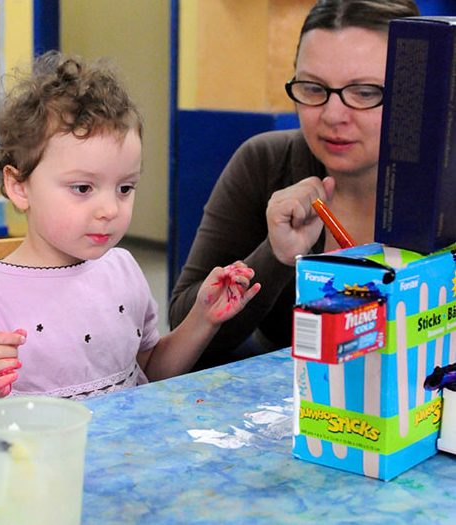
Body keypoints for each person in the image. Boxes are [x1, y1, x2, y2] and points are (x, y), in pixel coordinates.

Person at [0, 51, 260, 431]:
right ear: (19, 185)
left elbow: (151, 372)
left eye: (125, 187)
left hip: (124, 463)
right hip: (38, 474)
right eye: (83, 187)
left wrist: (202, 319)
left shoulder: (122, 270)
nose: (109, 208)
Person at [169, 0, 420, 370]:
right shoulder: (266, 163)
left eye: (365, 92)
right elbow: (187, 332)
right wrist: (276, 255)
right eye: (313, 88)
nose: (333, 116)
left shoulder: (442, 183)